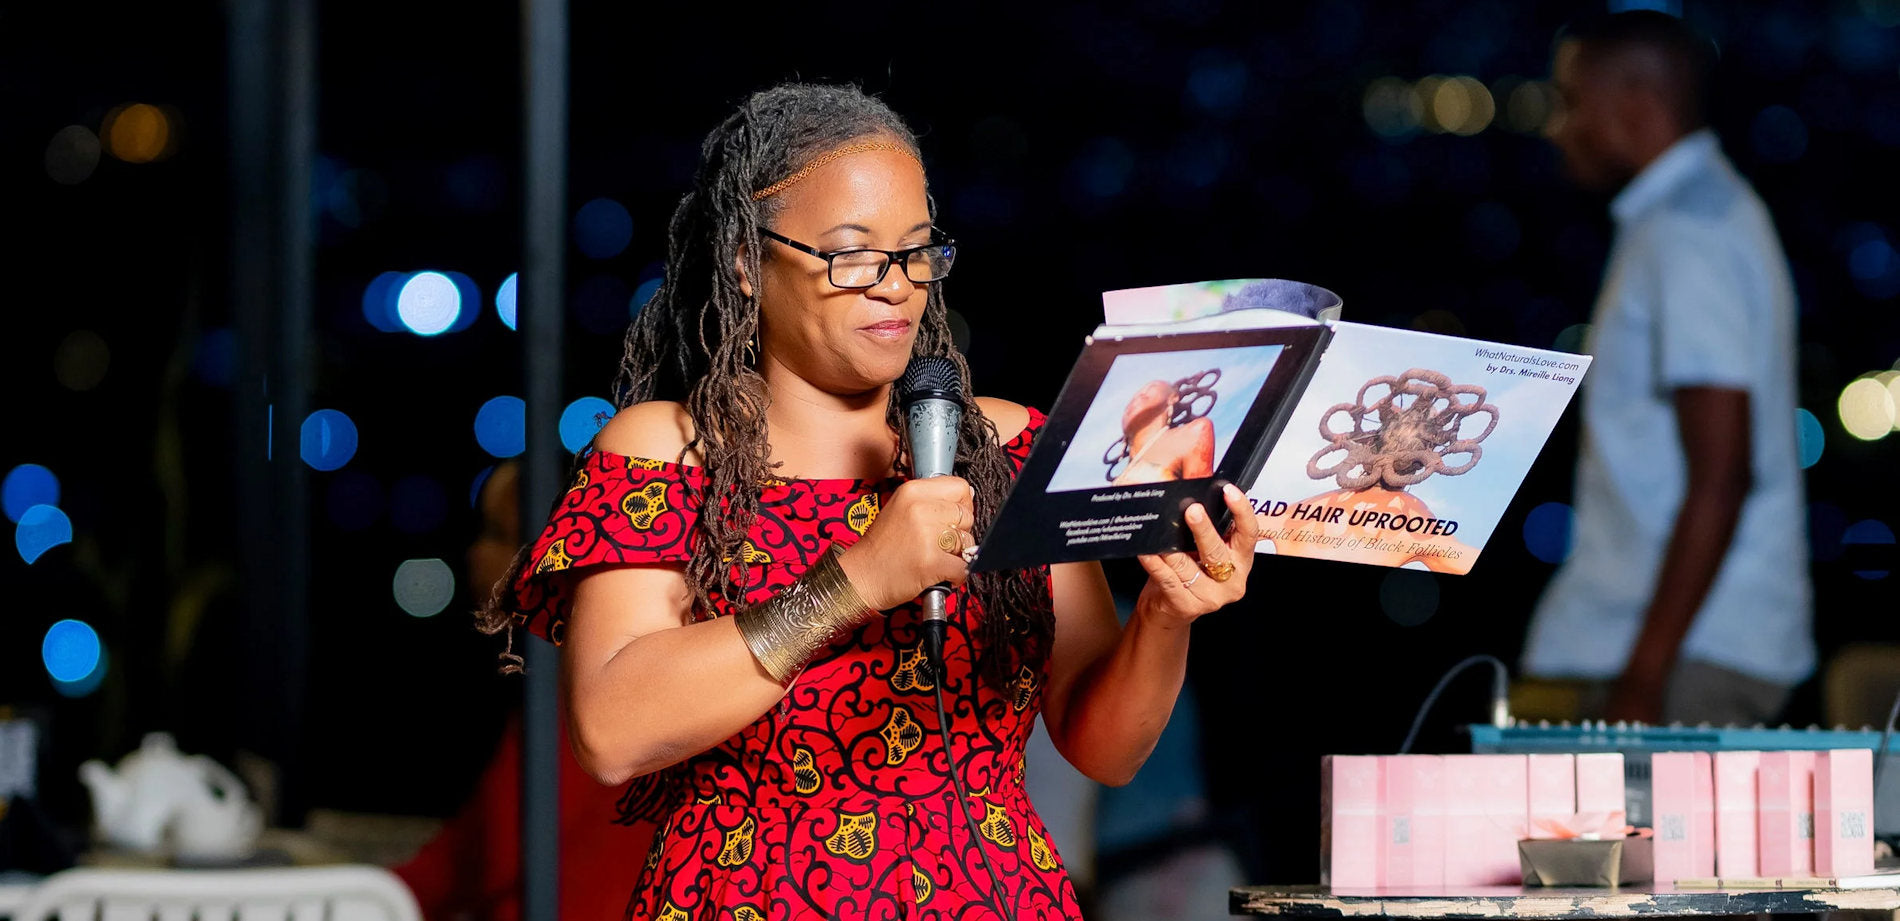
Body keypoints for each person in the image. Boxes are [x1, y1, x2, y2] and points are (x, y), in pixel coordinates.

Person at [475, 84, 1261, 920]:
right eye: (853, 254)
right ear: (747, 259)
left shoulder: (1013, 447)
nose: (896, 285)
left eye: (919, 252)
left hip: (996, 898)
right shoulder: (667, 447)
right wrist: (853, 581)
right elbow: (611, 729)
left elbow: (1103, 748)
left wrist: (1167, 617)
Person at [1519, 11, 1811, 726]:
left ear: (1635, 104)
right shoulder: (1687, 215)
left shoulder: (1690, 230)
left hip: (1691, 656)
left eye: (1571, 102)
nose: (1559, 127)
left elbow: (1722, 471)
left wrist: (1644, 677)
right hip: (1664, 642)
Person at [393, 461, 642, 921]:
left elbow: (488, 855)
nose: (475, 552)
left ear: (547, 559)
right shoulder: (599, 676)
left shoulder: (568, 700)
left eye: (495, 534)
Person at [1108, 377, 1217, 487]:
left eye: (1151, 387)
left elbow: (1199, 497)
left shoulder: (1192, 432)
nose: (1138, 396)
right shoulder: (1124, 471)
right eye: (1130, 402)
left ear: (1173, 397)